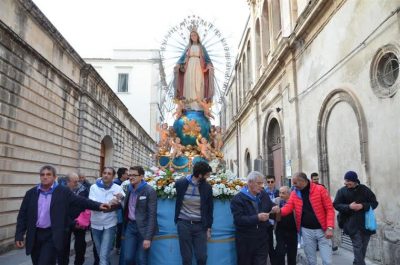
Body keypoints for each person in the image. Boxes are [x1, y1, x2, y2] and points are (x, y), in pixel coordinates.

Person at [15, 165, 110, 265]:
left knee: (45, 262)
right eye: (42, 175)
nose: (45, 177)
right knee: (37, 261)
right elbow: (22, 215)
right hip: (35, 235)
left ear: (54, 177)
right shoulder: (31, 193)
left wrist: (99, 206)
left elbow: (81, 201)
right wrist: (19, 235)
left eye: (48, 174)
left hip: (51, 235)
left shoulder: (62, 192)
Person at [272, 172, 335, 265]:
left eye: (295, 183)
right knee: (311, 260)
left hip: (323, 230)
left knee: (327, 261)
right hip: (306, 231)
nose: (293, 185)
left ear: (303, 181)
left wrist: (330, 228)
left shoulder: (320, 189)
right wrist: (279, 211)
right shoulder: (294, 193)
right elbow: (288, 207)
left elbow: (330, 209)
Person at [230, 171, 276, 265]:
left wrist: (275, 207)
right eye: (259, 183)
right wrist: (257, 218)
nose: (262, 186)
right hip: (246, 241)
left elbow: (270, 206)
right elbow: (238, 220)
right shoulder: (238, 199)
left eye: (262, 183)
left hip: (262, 239)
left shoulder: (263, 195)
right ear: (250, 182)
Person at [333, 171, 378, 265]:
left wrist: (362, 206)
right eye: (345, 180)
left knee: (363, 247)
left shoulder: (365, 189)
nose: (345, 183)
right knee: (357, 246)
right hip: (351, 224)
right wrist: (349, 207)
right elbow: (336, 205)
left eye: (348, 180)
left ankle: (356, 262)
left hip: (366, 224)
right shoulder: (342, 191)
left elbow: (374, 203)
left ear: (354, 181)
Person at [175, 161, 213, 265]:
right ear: (200, 175)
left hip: (200, 226)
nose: (208, 177)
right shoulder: (181, 184)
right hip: (183, 224)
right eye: (207, 175)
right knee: (186, 258)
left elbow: (210, 209)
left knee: (202, 257)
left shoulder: (207, 188)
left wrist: (208, 228)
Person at [121, 166, 158, 265]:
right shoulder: (129, 188)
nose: (131, 177)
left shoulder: (149, 191)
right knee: (128, 258)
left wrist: (148, 238)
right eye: (129, 175)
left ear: (141, 176)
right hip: (131, 227)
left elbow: (152, 215)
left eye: (134, 175)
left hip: (144, 228)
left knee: (141, 259)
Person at [89, 167, 125, 265]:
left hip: (110, 224)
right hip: (95, 224)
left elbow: (124, 204)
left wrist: (121, 198)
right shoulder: (93, 187)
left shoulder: (117, 188)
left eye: (109, 174)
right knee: (100, 253)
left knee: (103, 256)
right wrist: (109, 203)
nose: (106, 175)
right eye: (104, 173)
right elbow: (92, 203)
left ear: (113, 176)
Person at [174, 29, 214, 110]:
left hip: (199, 66)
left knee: (198, 84)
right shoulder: (188, 47)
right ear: (190, 37)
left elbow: (207, 59)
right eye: (191, 36)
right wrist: (178, 64)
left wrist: (209, 66)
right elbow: (182, 58)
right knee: (189, 83)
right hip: (189, 66)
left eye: (194, 35)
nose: (193, 37)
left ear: (198, 36)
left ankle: (198, 105)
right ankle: (188, 105)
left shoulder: (201, 47)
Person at [61, 172, 90, 265]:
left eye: (79, 181)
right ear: (67, 182)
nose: (78, 183)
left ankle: (79, 262)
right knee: (64, 245)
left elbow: (87, 204)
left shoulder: (84, 190)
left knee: (80, 245)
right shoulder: (61, 191)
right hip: (66, 221)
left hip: (80, 221)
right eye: (75, 182)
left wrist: (82, 220)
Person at [274, 186, 297, 265]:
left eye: (283, 193)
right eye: (280, 193)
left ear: (289, 194)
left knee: (292, 253)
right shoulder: (276, 201)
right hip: (280, 230)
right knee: (280, 251)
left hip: (292, 231)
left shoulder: (294, 202)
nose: (281, 195)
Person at [265, 175, 279, 265]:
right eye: (268, 182)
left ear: (274, 182)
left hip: (277, 219)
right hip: (268, 220)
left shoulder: (278, 192)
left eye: (272, 182)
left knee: (278, 241)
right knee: (270, 242)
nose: (270, 183)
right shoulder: (263, 192)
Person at [114, 167, 129, 254]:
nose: (128, 175)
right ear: (123, 174)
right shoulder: (117, 183)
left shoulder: (126, 183)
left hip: (124, 208)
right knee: (120, 227)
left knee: (123, 227)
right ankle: (118, 246)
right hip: (119, 209)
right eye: (127, 174)